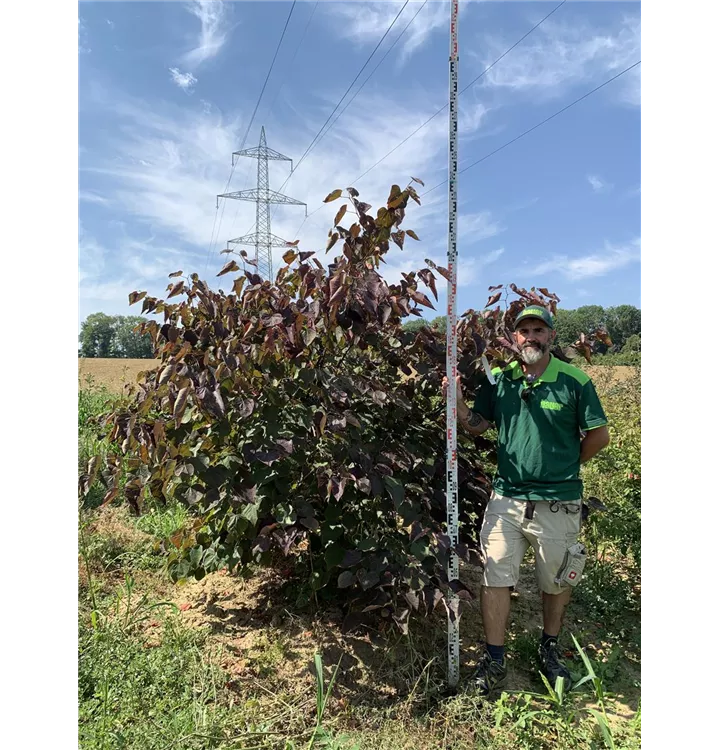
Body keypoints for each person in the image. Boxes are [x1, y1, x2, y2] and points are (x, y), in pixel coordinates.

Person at [442, 305, 610, 696]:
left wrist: (562, 469)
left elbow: (598, 437)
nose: (530, 336)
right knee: (496, 576)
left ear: (551, 335)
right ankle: (495, 657)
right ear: (514, 338)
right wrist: (458, 404)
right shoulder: (500, 380)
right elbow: (477, 427)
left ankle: (549, 648)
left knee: (555, 581)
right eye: (523, 331)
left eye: (538, 329)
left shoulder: (574, 380)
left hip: (558, 502)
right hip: (507, 499)